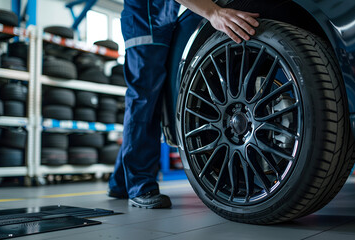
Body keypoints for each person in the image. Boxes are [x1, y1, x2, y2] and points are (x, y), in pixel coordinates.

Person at [108, 0, 260, 209]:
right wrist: (214, 12)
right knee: (144, 99)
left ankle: (120, 182)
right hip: (145, 23)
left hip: (161, 22)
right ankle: (140, 186)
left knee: (150, 100)